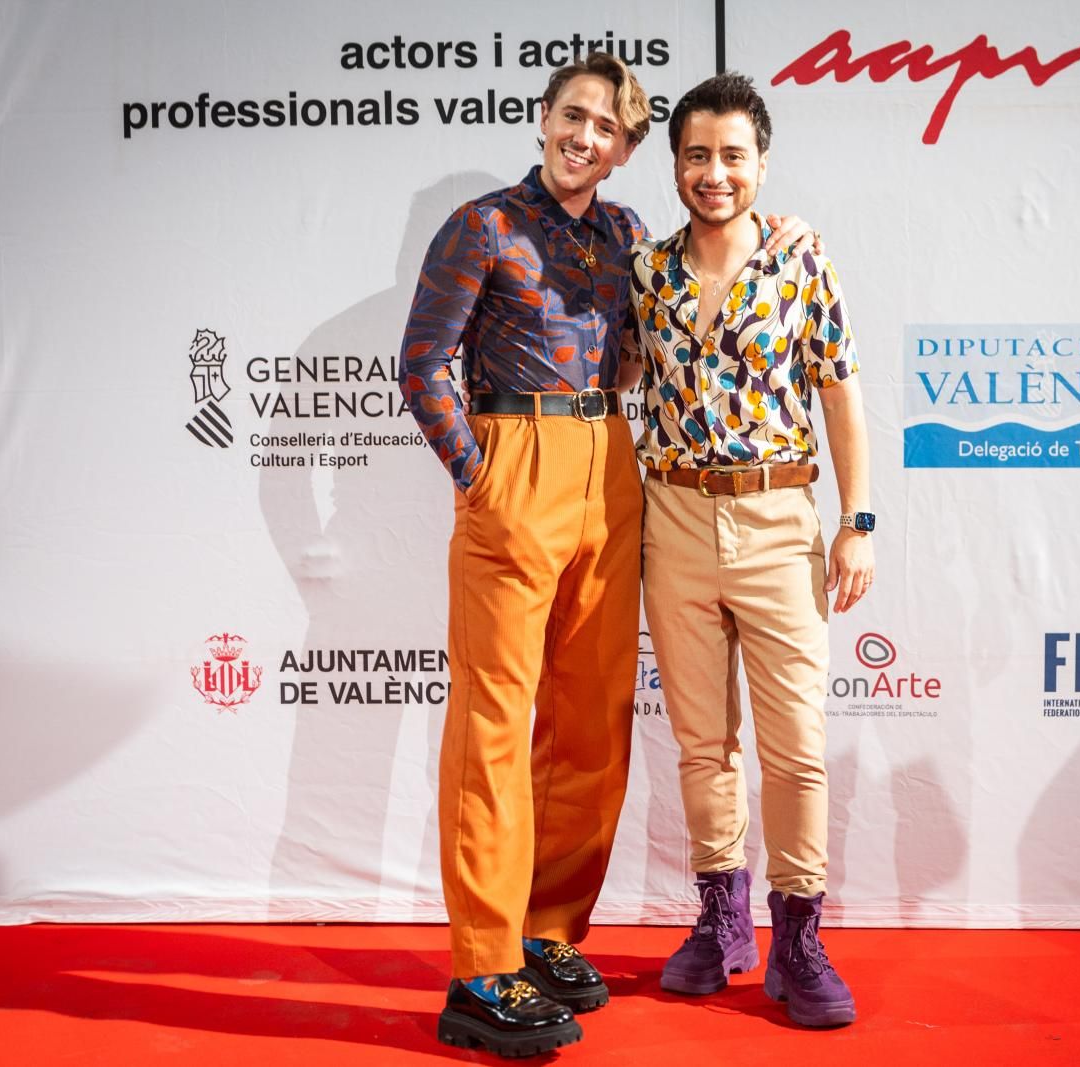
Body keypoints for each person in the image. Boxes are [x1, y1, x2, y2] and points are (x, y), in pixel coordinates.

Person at [399, 55, 813, 1057]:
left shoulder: (627, 235)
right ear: (544, 120)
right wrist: (478, 473)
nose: (587, 137)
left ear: (626, 149)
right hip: (516, 459)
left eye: (608, 128)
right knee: (495, 724)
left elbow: (685, 303)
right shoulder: (484, 223)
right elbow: (422, 361)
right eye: (573, 116)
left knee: (590, 720)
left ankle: (545, 933)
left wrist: (777, 242)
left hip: (610, 466)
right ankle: (481, 967)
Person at [629, 72, 875, 1029]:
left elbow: (841, 395)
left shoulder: (804, 263)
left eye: (735, 155)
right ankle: (720, 918)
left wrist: (858, 522)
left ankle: (798, 934)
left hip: (779, 522)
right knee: (702, 742)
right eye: (698, 154)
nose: (716, 172)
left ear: (762, 163)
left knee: (798, 749)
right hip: (675, 521)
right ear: (676, 165)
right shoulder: (644, 273)